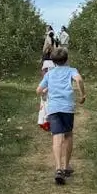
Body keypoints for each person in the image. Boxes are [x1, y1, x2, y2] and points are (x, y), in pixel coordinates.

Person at [36, 46, 85, 184]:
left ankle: (58, 168)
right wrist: (83, 94)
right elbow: (79, 80)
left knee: (57, 136)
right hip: (67, 107)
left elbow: (38, 90)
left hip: (54, 108)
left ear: (53, 61)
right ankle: (66, 166)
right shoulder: (71, 70)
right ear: (67, 59)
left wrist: (45, 90)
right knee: (68, 134)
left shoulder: (49, 74)